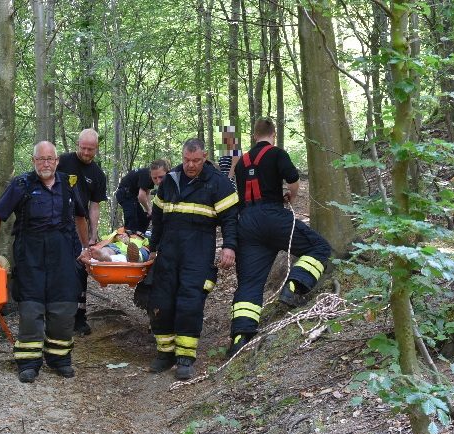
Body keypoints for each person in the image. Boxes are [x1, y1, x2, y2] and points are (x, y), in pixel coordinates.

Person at [0, 141, 89, 383]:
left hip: (63, 256)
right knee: (31, 309)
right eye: (41, 159)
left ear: (57, 161)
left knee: (63, 309)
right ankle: (29, 362)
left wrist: (86, 248)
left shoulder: (68, 185)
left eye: (50, 158)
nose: (46, 163)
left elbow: (80, 216)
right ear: (33, 162)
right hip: (30, 256)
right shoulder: (22, 184)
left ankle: (59, 358)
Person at [228, 118, 331, 358]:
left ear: (255, 136)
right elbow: (293, 180)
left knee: (250, 283)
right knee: (319, 247)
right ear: (273, 134)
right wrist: (290, 197)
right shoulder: (276, 153)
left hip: (248, 224)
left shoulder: (241, 163)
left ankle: (239, 338)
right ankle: (294, 285)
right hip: (273, 216)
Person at [148, 138, 239, 380]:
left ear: (205, 156)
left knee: (190, 301)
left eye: (196, 160)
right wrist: (152, 247)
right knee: (162, 301)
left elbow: (230, 219)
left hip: (198, 251)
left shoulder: (217, 183)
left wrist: (229, 247)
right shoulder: (171, 180)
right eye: (187, 160)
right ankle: (165, 353)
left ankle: (185, 358)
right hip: (168, 251)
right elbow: (157, 217)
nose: (190, 165)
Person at [57, 129, 108, 336]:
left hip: (79, 227)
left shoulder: (97, 174)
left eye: (91, 149)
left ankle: (79, 318)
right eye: (83, 148)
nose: (86, 152)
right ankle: (54, 317)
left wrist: (93, 233)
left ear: (96, 148)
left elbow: (94, 206)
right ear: (77, 144)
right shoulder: (62, 161)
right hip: (56, 223)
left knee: (80, 268)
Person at [115, 159, 170, 233]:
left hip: (132, 196)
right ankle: (129, 239)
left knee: (143, 219)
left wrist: (150, 210)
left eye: (161, 177)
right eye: (155, 178)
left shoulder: (153, 177)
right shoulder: (146, 175)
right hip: (125, 194)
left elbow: (147, 194)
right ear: (151, 174)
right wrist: (149, 209)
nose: (158, 181)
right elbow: (141, 196)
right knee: (132, 220)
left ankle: (140, 237)